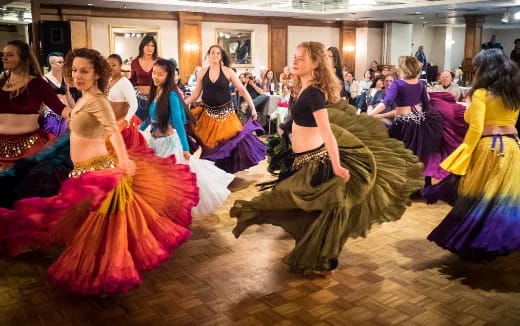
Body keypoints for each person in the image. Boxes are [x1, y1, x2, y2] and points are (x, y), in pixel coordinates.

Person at [0, 48, 199, 295]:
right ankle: (102, 276)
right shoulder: (82, 98)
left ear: (96, 74)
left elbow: (112, 131)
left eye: (84, 71)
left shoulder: (97, 100)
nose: (78, 75)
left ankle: (108, 278)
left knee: (102, 234)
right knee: (87, 229)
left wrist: (124, 160)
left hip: (100, 175)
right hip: (80, 174)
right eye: (74, 70)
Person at [230, 41, 424, 275]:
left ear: (314, 64)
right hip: (301, 161)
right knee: (308, 209)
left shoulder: (313, 93)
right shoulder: (302, 87)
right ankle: (324, 252)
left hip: (316, 162)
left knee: (297, 205)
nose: (295, 61)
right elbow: (302, 118)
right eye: (295, 56)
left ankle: (325, 253)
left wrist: (337, 165)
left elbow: (327, 132)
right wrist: (286, 127)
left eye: (301, 58)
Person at [425, 49, 520, 261]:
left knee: (476, 198)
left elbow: (476, 127)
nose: (475, 71)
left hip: (489, 149)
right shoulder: (514, 93)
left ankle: (478, 244)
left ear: (486, 69)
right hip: (512, 149)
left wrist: (464, 153)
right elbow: (512, 123)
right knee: (501, 201)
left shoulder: (481, 93)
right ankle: (494, 244)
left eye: (477, 68)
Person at [140, 59, 234, 217]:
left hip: (168, 145)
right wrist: (138, 129)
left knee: (170, 182)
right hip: (153, 142)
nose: (155, 77)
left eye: (159, 74)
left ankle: (170, 213)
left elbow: (178, 122)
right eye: (154, 73)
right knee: (156, 181)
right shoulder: (156, 92)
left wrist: (185, 148)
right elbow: (150, 118)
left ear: (168, 75)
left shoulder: (172, 96)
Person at [0, 40, 72, 210]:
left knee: (22, 196)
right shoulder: (1, 80)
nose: (5, 58)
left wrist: (83, 112)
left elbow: (61, 109)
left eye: (10, 54)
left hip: (28, 149)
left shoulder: (38, 84)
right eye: (4, 54)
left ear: (23, 58)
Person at [369, 56, 465, 182]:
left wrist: (370, 115)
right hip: (418, 122)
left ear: (404, 68)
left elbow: (386, 102)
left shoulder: (398, 84)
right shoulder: (419, 84)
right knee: (417, 154)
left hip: (403, 124)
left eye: (399, 66)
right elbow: (426, 105)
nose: (397, 68)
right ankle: (420, 185)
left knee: (400, 155)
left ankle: (404, 185)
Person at [184, 45, 266, 173]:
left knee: (231, 142)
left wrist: (253, 107)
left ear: (221, 56)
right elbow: (195, 95)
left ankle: (224, 170)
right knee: (210, 146)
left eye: (218, 53)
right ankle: (213, 172)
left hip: (226, 115)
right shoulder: (202, 73)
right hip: (207, 115)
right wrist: (181, 104)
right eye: (212, 53)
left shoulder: (228, 71)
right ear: (208, 55)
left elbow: (242, 90)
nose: (215, 55)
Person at [107, 53, 146, 149]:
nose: (110, 68)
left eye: (114, 65)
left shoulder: (124, 82)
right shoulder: (108, 81)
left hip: (123, 123)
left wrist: (126, 120)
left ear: (120, 66)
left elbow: (134, 104)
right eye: (108, 65)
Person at [40, 52, 74, 136]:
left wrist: (76, 109)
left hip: (66, 112)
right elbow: (42, 99)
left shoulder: (64, 78)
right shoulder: (44, 79)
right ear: (51, 63)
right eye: (59, 62)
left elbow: (68, 95)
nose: (62, 64)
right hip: (52, 114)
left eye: (63, 62)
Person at [130, 35, 160, 120]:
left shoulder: (159, 61)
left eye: (152, 45)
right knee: (140, 126)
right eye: (147, 45)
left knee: (154, 125)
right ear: (142, 46)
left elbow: (165, 80)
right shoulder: (135, 62)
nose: (150, 48)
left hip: (156, 98)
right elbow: (132, 80)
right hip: (140, 99)